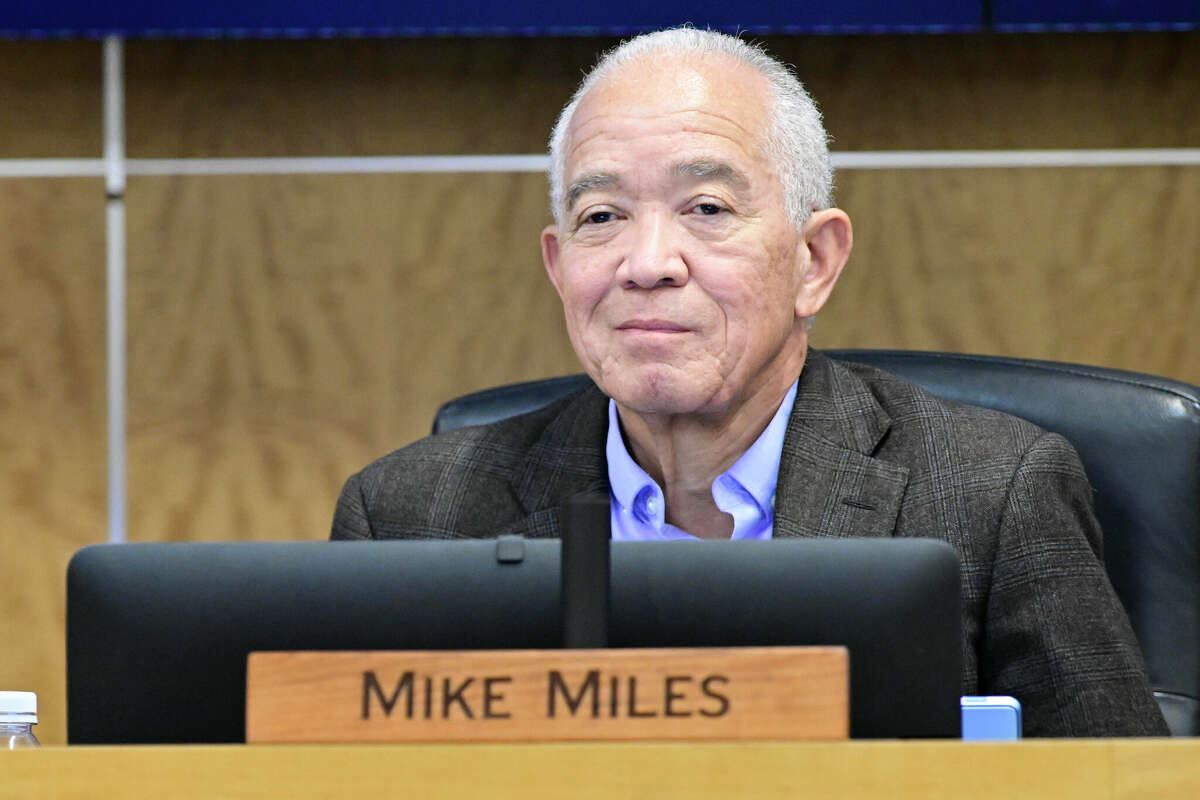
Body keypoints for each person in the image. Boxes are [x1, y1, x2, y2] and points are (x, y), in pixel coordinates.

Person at [331, 27, 1167, 737]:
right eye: (602, 217)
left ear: (815, 261)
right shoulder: (409, 517)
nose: (648, 264)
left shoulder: (992, 494)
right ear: (559, 266)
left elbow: (1120, 783)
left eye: (707, 209)